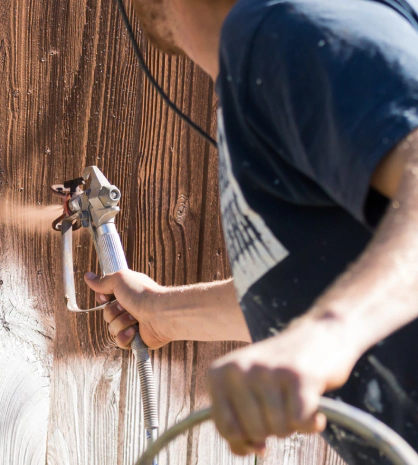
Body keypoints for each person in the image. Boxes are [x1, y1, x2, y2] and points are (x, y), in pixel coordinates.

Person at [84, 0, 418, 462]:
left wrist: (326, 336)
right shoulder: (272, 56)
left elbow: (321, 327)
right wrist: (162, 312)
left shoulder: (283, 30)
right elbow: (316, 289)